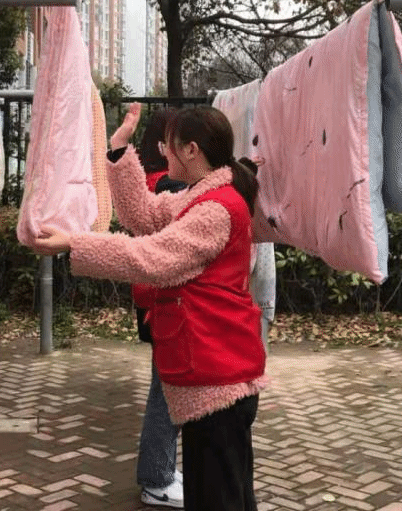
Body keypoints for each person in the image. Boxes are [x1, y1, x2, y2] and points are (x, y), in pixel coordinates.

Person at [36, 103, 268, 511]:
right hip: (214, 370)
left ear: (191, 150)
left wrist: (75, 243)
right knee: (225, 495)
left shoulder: (215, 208)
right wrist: (119, 149)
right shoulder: (200, 195)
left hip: (217, 375)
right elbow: (143, 214)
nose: (163, 151)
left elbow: (151, 257)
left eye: (168, 145)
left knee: (218, 499)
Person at [133, 108, 187, 508]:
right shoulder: (167, 186)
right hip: (161, 300)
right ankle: (156, 479)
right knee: (164, 393)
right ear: (162, 145)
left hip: (148, 296)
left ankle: (162, 468)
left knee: (164, 388)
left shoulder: (148, 181)